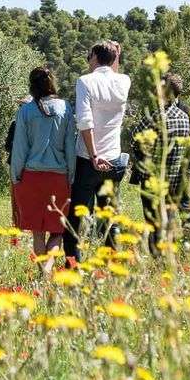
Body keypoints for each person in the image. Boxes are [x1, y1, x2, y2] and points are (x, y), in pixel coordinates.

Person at [63, 40, 131, 263]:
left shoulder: (85, 81)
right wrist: (115, 55)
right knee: (109, 214)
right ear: (114, 59)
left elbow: (85, 121)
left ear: (94, 57)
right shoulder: (124, 81)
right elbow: (115, 71)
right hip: (113, 157)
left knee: (76, 214)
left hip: (88, 158)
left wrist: (93, 155)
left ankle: (74, 263)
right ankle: (111, 261)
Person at [10, 67, 76, 272]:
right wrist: (71, 177)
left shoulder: (26, 110)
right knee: (58, 230)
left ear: (32, 85)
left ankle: (44, 271)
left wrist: (15, 176)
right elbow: (70, 147)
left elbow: (19, 147)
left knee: (38, 231)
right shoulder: (65, 108)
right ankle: (48, 267)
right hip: (58, 178)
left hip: (31, 177)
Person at [129, 72, 190, 254]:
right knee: (169, 218)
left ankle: (157, 257)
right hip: (174, 179)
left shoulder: (156, 116)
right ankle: (169, 254)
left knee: (153, 221)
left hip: (153, 178)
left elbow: (134, 139)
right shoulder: (185, 117)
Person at [5, 95, 34, 227]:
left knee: (30, 198)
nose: (21, 108)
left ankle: (29, 225)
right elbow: (7, 146)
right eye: (20, 106)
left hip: (31, 167)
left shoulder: (36, 124)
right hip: (16, 165)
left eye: (24, 106)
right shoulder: (15, 124)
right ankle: (16, 227)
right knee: (15, 199)